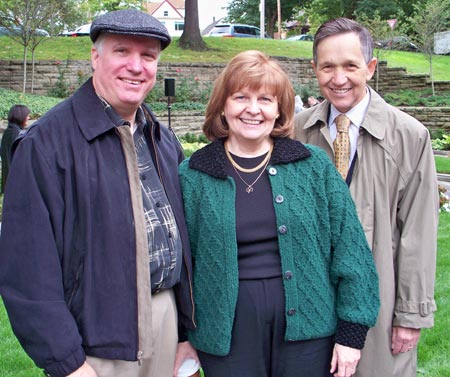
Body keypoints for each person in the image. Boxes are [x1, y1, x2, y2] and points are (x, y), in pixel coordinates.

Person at [0, 9, 196, 377]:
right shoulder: (46, 145)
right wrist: (68, 361)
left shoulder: (162, 139)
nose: (136, 66)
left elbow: (182, 242)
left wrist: (185, 332)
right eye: (122, 51)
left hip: (166, 322)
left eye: (148, 56)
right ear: (95, 57)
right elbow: (27, 270)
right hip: (94, 343)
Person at [178, 50, 380, 377]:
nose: (253, 109)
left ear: (280, 110)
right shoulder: (194, 175)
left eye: (266, 99)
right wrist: (182, 335)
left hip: (309, 332)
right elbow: (182, 268)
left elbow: (351, 251)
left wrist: (351, 335)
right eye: (241, 97)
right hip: (226, 337)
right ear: (223, 106)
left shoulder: (313, 167)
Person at [294, 18, 439, 377]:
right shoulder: (296, 131)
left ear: (370, 68)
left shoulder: (409, 136)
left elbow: (417, 234)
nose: (338, 78)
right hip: (308, 301)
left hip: (381, 305)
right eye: (327, 66)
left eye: (350, 66)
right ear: (314, 70)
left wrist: (410, 314)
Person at [0, 104, 30, 194]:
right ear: (20, 116)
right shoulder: (15, 133)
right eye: (27, 115)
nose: (28, 118)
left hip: (9, 179)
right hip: (14, 181)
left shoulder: (10, 131)